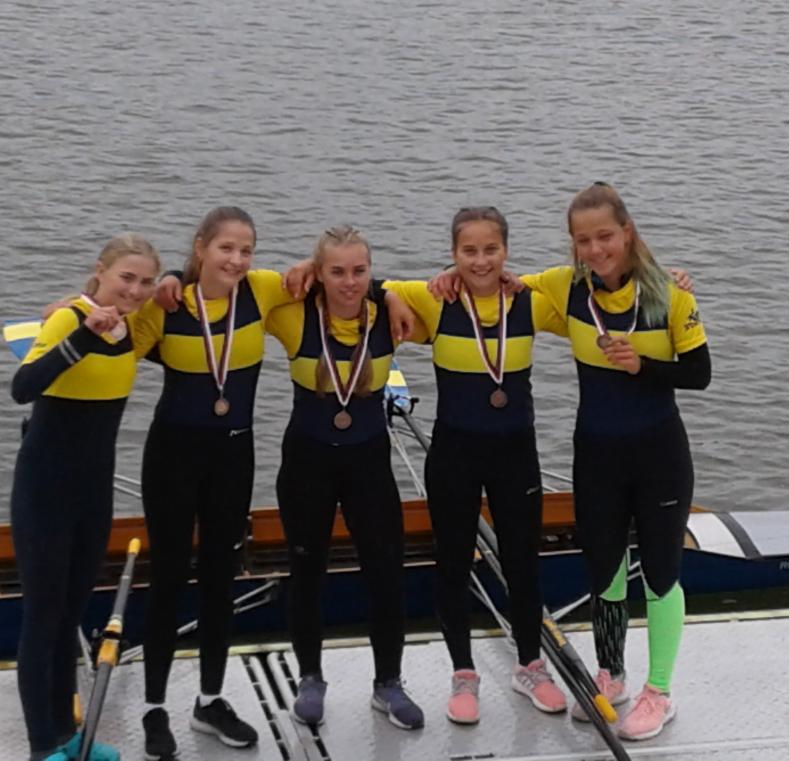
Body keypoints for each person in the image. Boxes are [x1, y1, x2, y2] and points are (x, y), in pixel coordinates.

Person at [133, 209, 416, 758]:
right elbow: (120, 333)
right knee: (168, 579)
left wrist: (386, 290)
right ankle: (154, 709)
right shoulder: (167, 303)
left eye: (246, 250)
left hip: (234, 456)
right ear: (201, 247)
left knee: (221, 577)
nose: (237, 260)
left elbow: (333, 276)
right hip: (172, 457)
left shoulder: (261, 292)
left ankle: (210, 700)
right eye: (226, 248)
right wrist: (166, 278)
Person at [520, 182, 711, 741]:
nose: (596, 249)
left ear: (626, 232)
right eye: (583, 241)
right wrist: (435, 282)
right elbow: (489, 282)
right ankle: (613, 676)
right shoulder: (565, 289)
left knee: (660, 574)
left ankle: (659, 693)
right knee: (603, 571)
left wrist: (641, 368)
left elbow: (700, 373)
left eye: (605, 236)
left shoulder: (669, 295)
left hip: (658, 454)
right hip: (597, 455)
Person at [381, 207, 570, 725]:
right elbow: (369, 287)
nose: (481, 261)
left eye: (491, 250)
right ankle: (463, 673)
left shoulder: (531, 300)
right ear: (453, 254)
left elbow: (594, 290)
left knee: (522, 561)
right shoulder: (435, 298)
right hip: (454, 455)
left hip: (516, 454)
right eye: (469, 252)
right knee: (453, 563)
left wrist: (669, 279)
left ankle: (530, 665)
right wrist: (396, 295)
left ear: (506, 251)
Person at [262, 225, 425, 731]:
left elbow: (464, 282)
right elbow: (219, 289)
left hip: (368, 464)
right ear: (318, 273)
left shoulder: (392, 314)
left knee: (386, 571)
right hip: (306, 463)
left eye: (359, 271)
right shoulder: (291, 313)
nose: (349, 282)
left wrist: (387, 292)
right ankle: (310, 678)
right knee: (306, 569)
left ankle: (388, 683)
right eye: (336, 272)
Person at [10, 233, 161, 761]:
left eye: (145, 281)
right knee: (43, 618)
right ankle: (41, 747)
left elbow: (187, 286)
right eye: (126, 278)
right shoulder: (67, 320)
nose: (135, 290)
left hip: (94, 492)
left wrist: (167, 285)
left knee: (71, 615)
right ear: (100, 271)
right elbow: (22, 387)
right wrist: (82, 335)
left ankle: (67, 737)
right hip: (44, 489)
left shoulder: (134, 325)